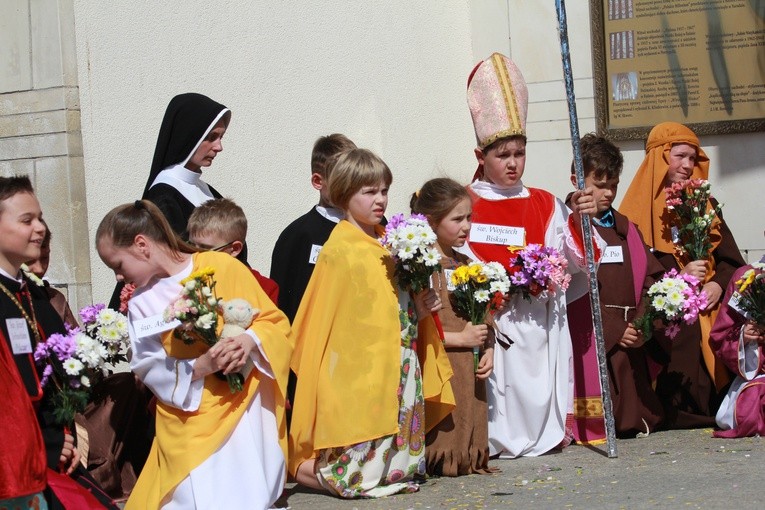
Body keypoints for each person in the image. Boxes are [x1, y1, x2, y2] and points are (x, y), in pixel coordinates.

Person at [96, 200, 291, 509]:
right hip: (188, 415)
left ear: (141, 244)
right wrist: (201, 365)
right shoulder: (141, 303)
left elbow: (274, 322)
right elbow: (148, 364)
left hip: (242, 407)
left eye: (118, 265)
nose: (119, 277)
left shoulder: (222, 266)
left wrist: (248, 342)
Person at [459, 53, 602, 458]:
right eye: (502, 155)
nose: (512, 163)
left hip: (539, 322)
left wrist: (580, 219)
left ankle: (545, 433)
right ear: (479, 157)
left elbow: (576, 260)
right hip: (495, 323)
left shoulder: (543, 202)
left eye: (519, 153)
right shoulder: (464, 201)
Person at [288, 148, 454, 498]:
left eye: (383, 190)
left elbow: (394, 304)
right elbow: (343, 319)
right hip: (362, 367)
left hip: (400, 359)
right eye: (369, 192)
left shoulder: (388, 241)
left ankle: (389, 474)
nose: (380, 200)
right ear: (345, 194)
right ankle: (307, 471)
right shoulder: (341, 249)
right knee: (354, 465)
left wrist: (421, 309)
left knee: (397, 448)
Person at [0, 176, 116, 509]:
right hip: (18, 464)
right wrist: (47, 442)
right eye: (26, 220)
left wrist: (62, 432)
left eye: (40, 218)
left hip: (53, 451)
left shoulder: (34, 292)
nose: (39, 228)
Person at [619, 121, 745, 428]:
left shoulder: (706, 204)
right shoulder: (632, 213)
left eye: (693, 158)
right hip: (669, 312)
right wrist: (679, 277)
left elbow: (730, 260)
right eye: (680, 156)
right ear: (660, 158)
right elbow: (635, 273)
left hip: (709, 305)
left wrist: (716, 283)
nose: (688, 165)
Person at [565, 134, 665, 441]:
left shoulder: (627, 230)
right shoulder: (567, 229)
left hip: (630, 333)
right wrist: (613, 329)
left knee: (633, 416)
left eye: (613, 185)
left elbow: (652, 280)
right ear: (577, 180)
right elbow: (571, 288)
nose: (607, 193)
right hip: (594, 337)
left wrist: (640, 323)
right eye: (598, 184)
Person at [411, 177, 495, 476]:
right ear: (432, 222)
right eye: (458, 219)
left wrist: (488, 348)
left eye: (469, 217)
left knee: (469, 414)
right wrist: (460, 337)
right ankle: (441, 460)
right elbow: (415, 326)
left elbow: (485, 315)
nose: (467, 226)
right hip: (441, 366)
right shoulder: (421, 269)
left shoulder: (464, 263)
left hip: (469, 368)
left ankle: (468, 455)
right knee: (446, 427)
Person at [270, 133, 357, 322]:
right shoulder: (297, 235)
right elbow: (284, 303)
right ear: (318, 181)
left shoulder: (377, 227)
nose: (350, 186)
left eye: (355, 178)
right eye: (340, 179)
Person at [710, 256, 765, 438]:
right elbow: (721, 335)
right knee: (752, 410)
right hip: (758, 374)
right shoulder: (746, 277)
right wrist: (744, 335)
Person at [187, 197, 279, 304]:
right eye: (191, 246)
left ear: (234, 249)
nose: (195, 255)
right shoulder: (183, 280)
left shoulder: (262, 288)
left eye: (205, 249)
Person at [25, 226, 78, 327]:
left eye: (44, 258)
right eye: (31, 260)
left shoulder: (57, 300)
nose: (40, 269)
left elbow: (75, 339)